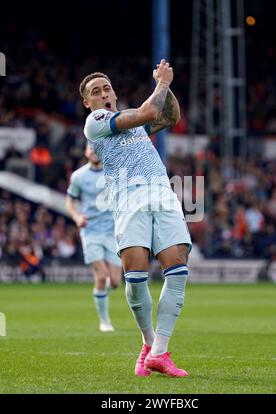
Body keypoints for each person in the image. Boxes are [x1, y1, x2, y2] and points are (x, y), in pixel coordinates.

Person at [80, 59, 192, 377]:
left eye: (107, 88)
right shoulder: (97, 122)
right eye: (95, 92)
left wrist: (164, 86)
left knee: (177, 268)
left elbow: (170, 116)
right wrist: (162, 83)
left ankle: (159, 353)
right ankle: (148, 341)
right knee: (136, 273)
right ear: (88, 103)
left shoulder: (132, 124)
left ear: (114, 93)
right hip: (129, 197)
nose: (103, 93)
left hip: (161, 192)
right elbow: (146, 112)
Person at [65, 145, 122, 332]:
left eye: (95, 147)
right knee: (101, 276)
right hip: (90, 232)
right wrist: (77, 217)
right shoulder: (78, 176)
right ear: (85, 152)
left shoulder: (113, 172)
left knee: (115, 281)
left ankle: (102, 289)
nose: (93, 151)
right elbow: (70, 200)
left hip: (112, 232)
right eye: (90, 148)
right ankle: (104, 321)